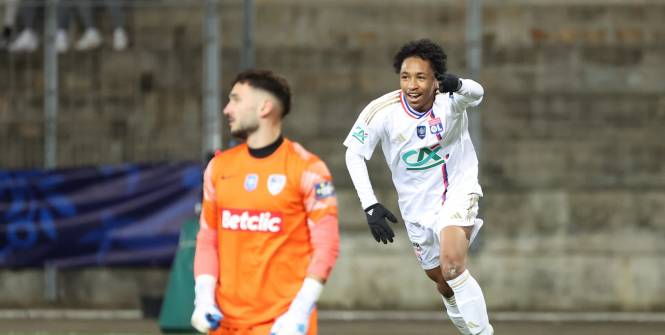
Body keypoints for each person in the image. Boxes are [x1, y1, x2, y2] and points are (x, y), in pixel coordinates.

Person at [343, 39, 493, 335]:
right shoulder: (381, 111)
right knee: (442, 280)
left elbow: (478, 93)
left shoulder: (450, 99)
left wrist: (459, 84)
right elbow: (354, 153)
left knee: (452, 265)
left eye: (420, 77)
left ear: (435, 79)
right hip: (415, 208)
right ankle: (466, 325)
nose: (411, 85)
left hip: (456, 191)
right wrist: (370, 204)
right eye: (405, 76)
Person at [191, 69, 340, 335]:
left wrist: (300, 311)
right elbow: (207, 239)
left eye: (236, 100)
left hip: (282, 326)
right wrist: (202, 297)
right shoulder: (218, 168)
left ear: (264, 107)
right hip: (223, 324)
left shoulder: (308, 169)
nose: (227, 109)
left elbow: (327, 246)